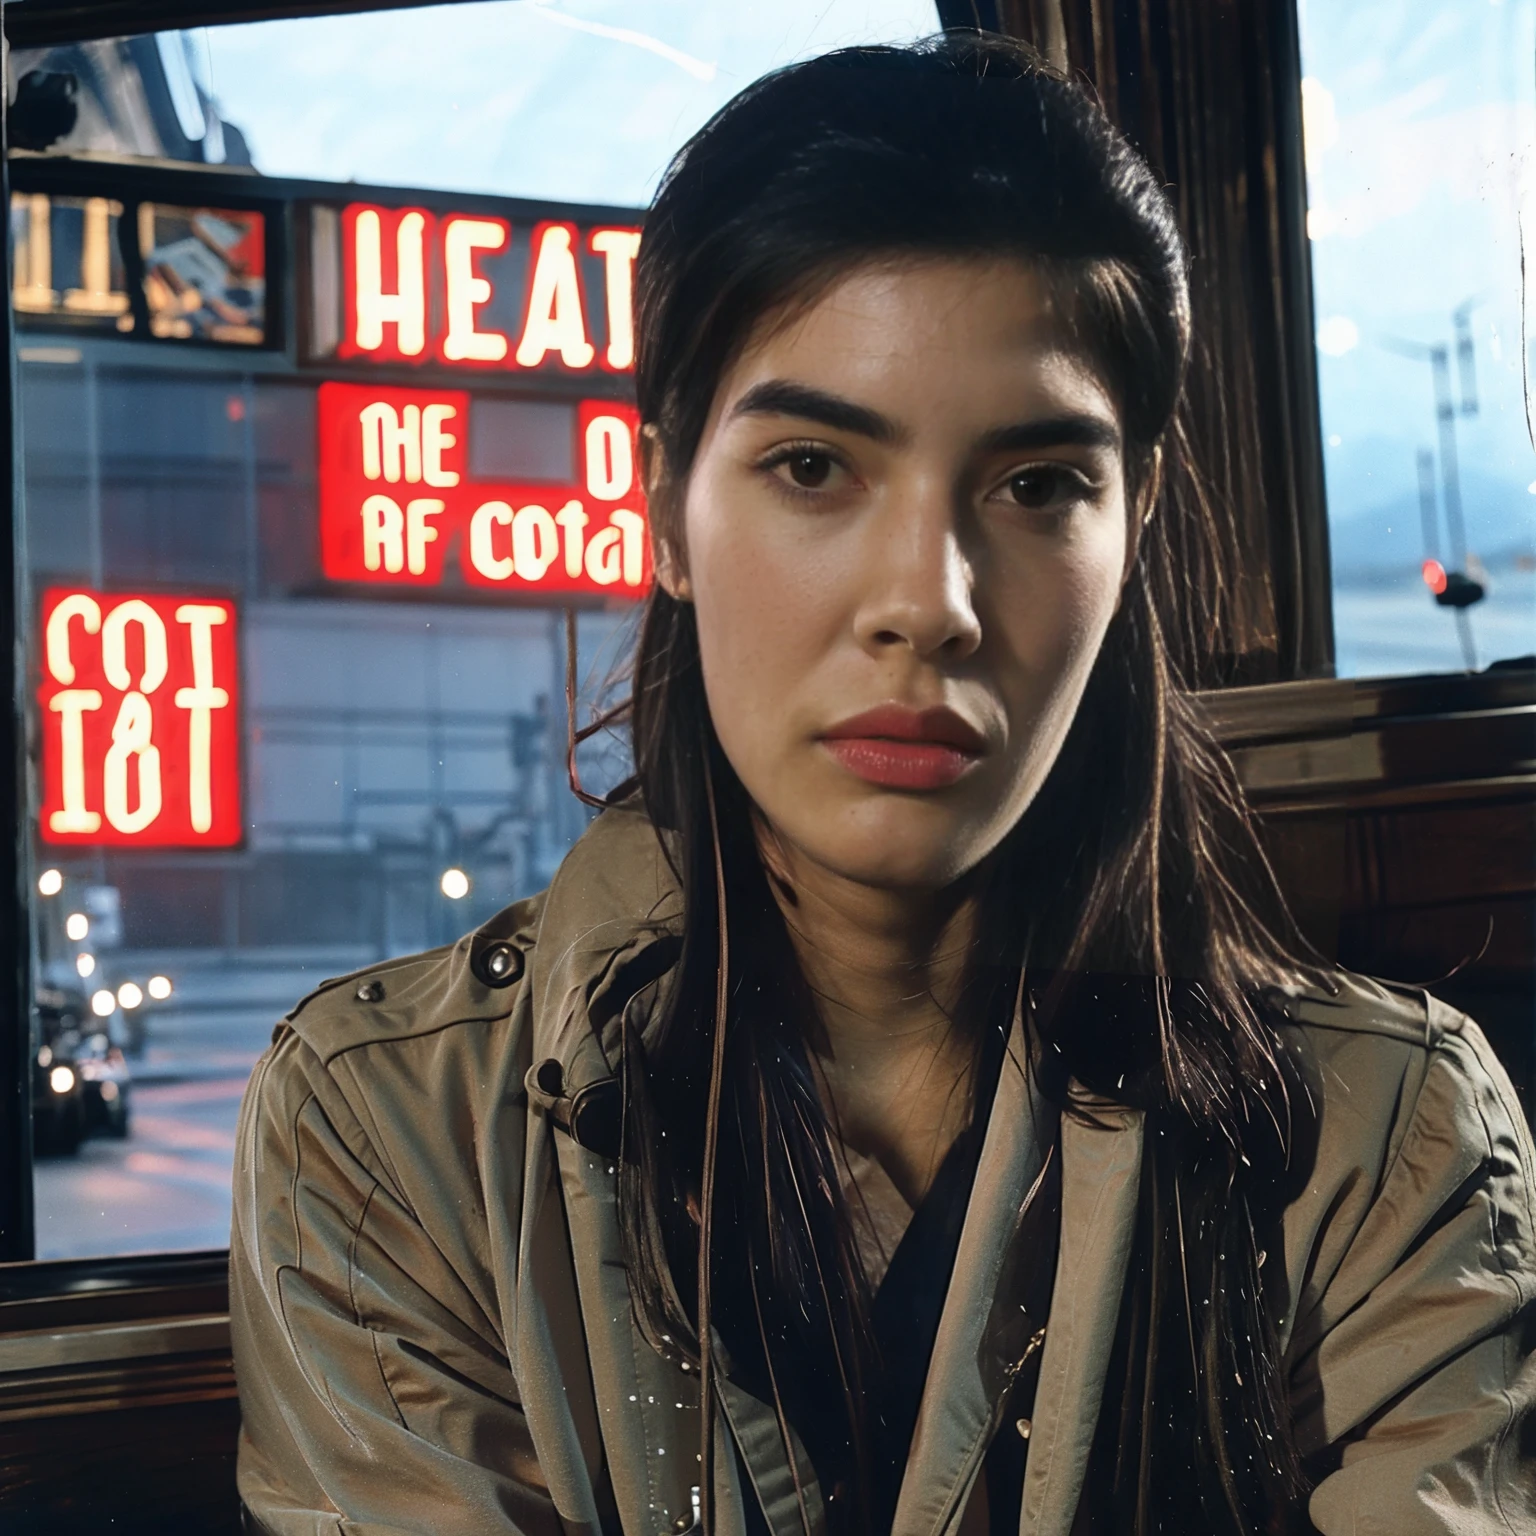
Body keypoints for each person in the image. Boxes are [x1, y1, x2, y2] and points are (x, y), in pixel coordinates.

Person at [230, 33, 1536, 1536]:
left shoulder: (1382, 1138)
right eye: (813, 468)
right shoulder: (394, 1129)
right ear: (663, 501)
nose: (930, 601)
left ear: (1140, 515)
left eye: (1038, 484)